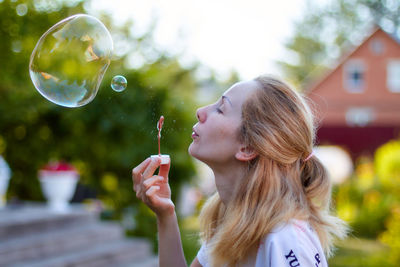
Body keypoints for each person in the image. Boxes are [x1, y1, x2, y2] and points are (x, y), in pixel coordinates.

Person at [132, 75, 348, 267]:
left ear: (248, 147)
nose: (200, 112)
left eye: (221, 108)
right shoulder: (234, 225)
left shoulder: (286, 240)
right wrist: (165, 215)